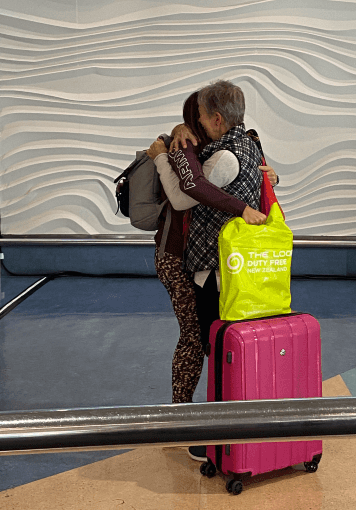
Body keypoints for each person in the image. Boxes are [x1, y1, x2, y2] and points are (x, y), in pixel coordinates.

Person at [145, 91, 266, 409]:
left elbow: (243, 179)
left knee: (216, 336)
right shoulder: (180, 147)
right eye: (195, 115)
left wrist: (269, 177)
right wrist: (168, 146)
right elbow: (183, 197)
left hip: (212, 261)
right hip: (177, 256)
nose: (199, 120)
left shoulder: (230, 146)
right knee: (194, 337)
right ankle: (181, 415)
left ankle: (215, 412)